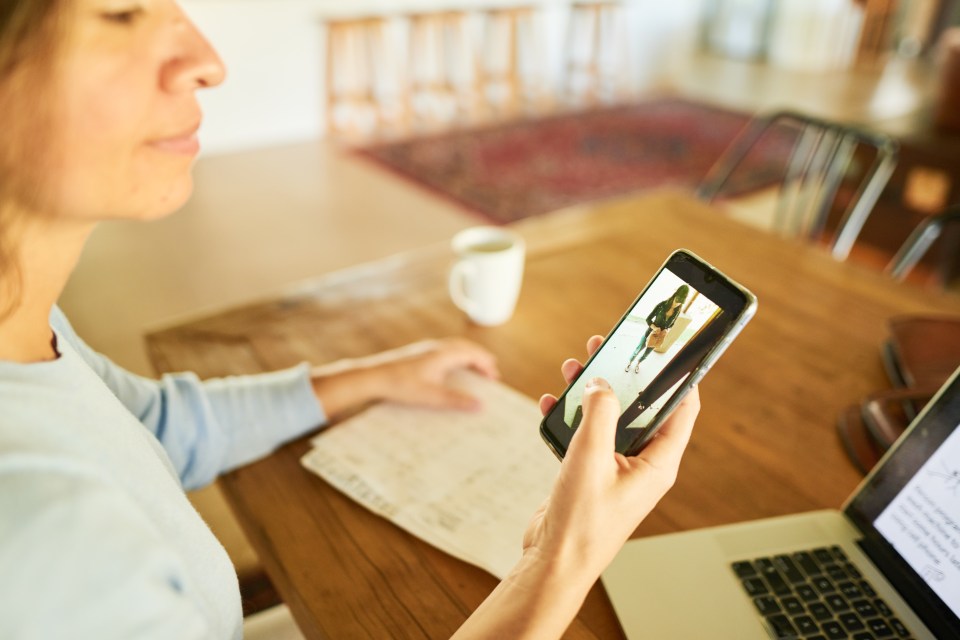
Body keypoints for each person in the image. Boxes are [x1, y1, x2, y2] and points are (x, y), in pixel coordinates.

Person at [0, 1, 700, 638]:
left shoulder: (24, 319)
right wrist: (562, 559)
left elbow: (149, 431)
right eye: (120, 12)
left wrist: (374, 377)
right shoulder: (40, 541)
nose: (208, 61)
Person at [625, 284, 689, 373]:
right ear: (675, 296)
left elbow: (671, 324)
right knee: (639, 349)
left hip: (659, 337)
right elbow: (648, 319)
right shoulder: (662, 305)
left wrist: (666, 329)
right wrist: (654, 327)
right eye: (677, 300)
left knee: (647, 354)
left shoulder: (677, 311)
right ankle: (630, 362)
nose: (678, 304)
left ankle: (638, 364)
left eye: (680, 302)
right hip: (649, 333)